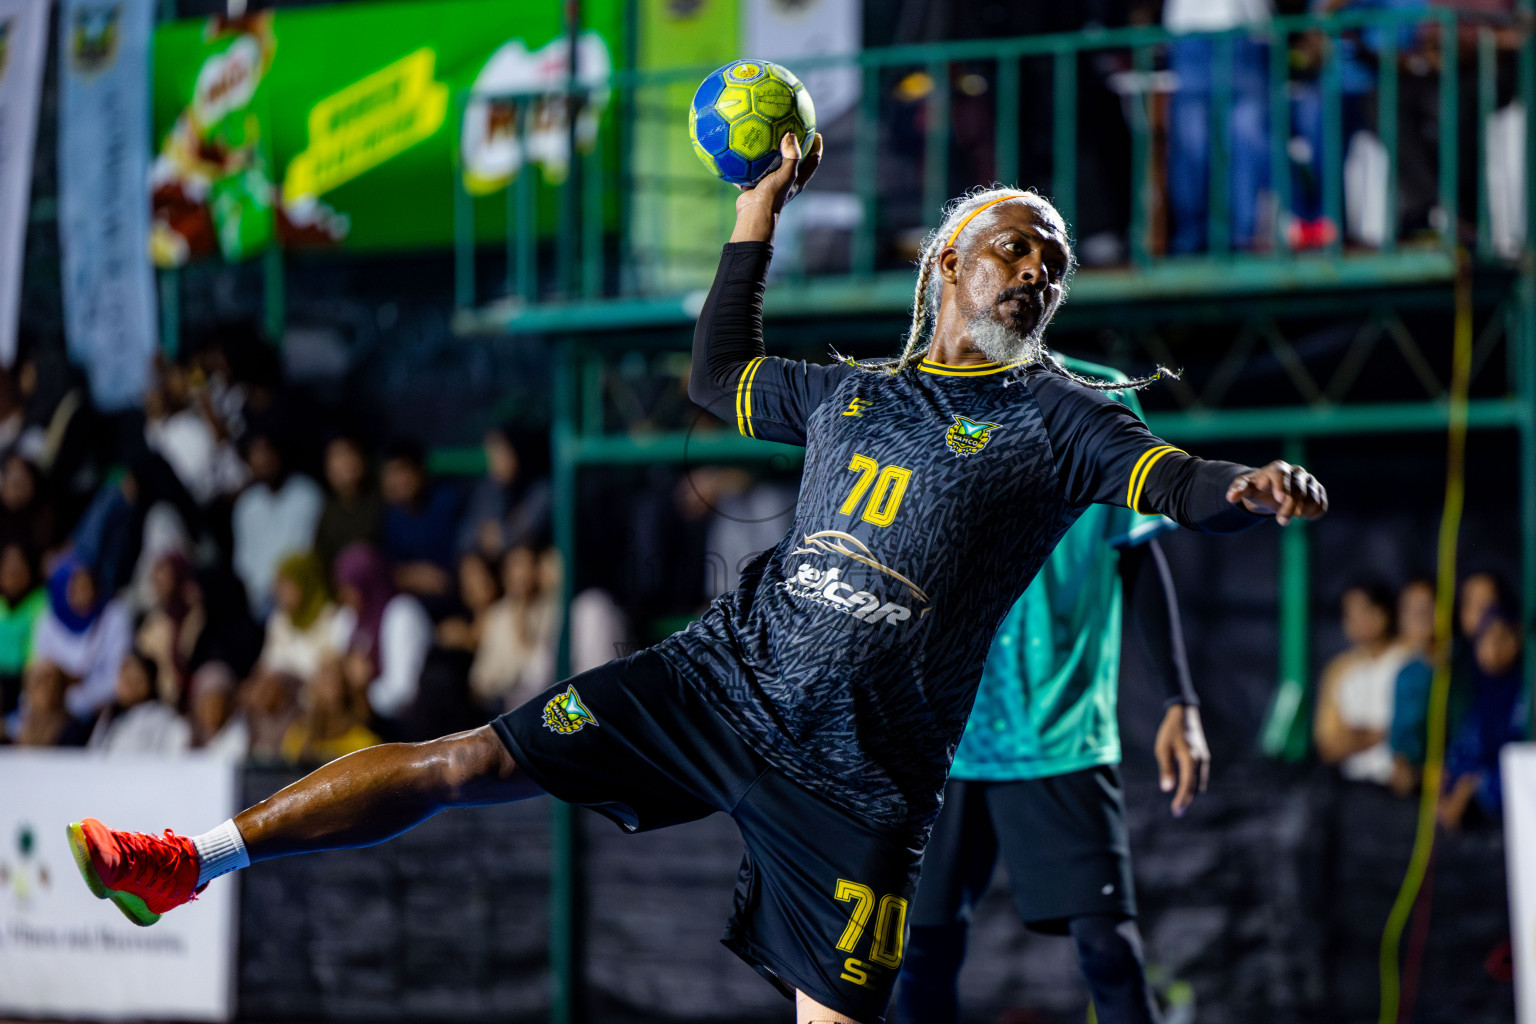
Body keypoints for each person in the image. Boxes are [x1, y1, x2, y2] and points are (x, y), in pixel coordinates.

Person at [66, 135, 1328, 1024]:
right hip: (723, 682)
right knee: (468, 761)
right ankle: (188, 858)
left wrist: (1248, 489)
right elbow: (713, 373)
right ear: (948, 265)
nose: (1038, 269)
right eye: (1015, 246)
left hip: (862, 772)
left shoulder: (1061, 416)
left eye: (1052, 259)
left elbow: (1173, 479)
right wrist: (753, 214)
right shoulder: (850, 388)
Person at [894, 358, 1207, 1024]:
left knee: (1108, 949)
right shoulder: (917, 397)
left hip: (1059, 729)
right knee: (920, 949)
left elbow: (1137, 548)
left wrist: (1182, 701)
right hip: (942, 730)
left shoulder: (1103, 397)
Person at [1439, 602, 1530, 830]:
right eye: (1484, 639)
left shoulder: (1525, 693)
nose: (1493, 648)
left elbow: (1518, 754)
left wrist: (1472, 786)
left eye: (1501, 637)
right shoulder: (1469, 691)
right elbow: (1462, 749)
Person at [1313, 579, 1411, 785]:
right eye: (1350, 614)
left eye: (1365, 610)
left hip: (1404, 785)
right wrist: (1380, 734)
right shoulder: (1338, 671)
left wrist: (1357, 736)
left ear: (1384, 613)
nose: (1357, 621)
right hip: (1354, 786)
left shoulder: (1410, 659)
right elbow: (1328, 746)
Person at [330, 543, 432, 733]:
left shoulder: (403, 613)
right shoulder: (348, 618)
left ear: (367, 582)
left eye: (350, 587)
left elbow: (404, 692)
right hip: (359, 723)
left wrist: (364, 692)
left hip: (401, 728)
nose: (343, 595)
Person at [231, 430, 324, 617]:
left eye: (267, 453)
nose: (263, 461)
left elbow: (308, 549)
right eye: (255, 456)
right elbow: (243, 562)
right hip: (260, 603)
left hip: (301, 594)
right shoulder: (246, 506)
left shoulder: (307, 494)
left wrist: (286, 586)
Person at [32, 556, 133, 720]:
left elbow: (118, 675)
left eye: (88, 586)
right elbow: (42, 671)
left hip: (103, 710)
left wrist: (80, 687)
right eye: (75, 589)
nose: (84, 594)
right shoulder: (47, 620)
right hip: (55, 709)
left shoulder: (114, 615)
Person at [379, 440, 461, 604]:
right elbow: (388, 570)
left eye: (403, 470)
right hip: (415, 607)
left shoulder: (448, 503)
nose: (398, 481)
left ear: (420, 469)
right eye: (391, 473)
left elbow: (465, 559)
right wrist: (414, 576)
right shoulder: (393, 518)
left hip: (456, 603)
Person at [456, 426, 552, 559]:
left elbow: (526, 531)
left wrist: (500, 534)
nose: (494, 461)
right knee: (470, 564)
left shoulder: (541, 488)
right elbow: (466, 537)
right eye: (491, 453)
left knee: (521, 562)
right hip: (496, 560)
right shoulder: (490, 487)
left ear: (517, 451)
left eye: (500, 452)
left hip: (530, 559)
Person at [87, 650, 191, 755]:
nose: (129, 685)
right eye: (126, 678)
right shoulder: (109, 714)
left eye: (136, 680)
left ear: (150, 683)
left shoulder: (163, 718)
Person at [312, 435, 383, 574]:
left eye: (349, 454)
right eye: (337, 457)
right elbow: (320, 559)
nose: (345, 463)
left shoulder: (382, 500)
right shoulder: (328, 511)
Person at [0, 541, 44, 716]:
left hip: (25, 682)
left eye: (19, 566)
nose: (14, 572)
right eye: (8, 566)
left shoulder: (41, 601)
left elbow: (36, 651)